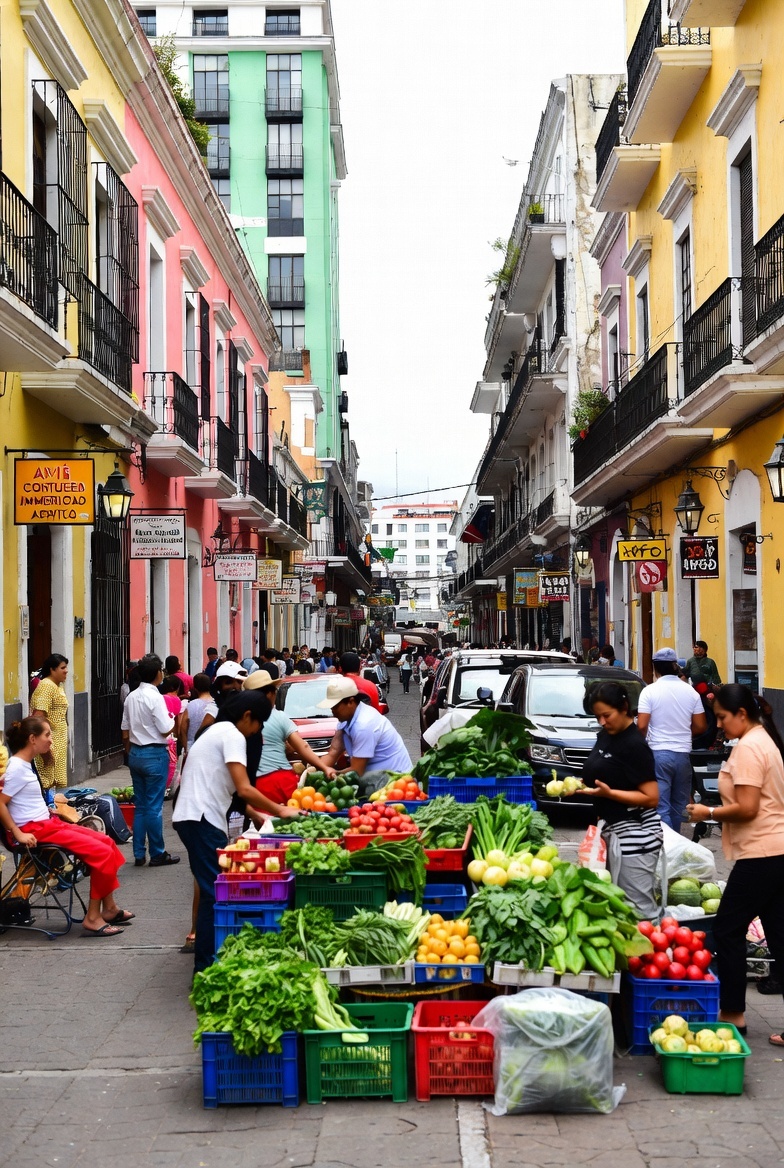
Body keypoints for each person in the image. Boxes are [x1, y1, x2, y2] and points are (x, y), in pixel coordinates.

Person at [172, 690, 300, 973]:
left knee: (212, 890)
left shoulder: (216, 731)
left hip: (195, 817)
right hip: (201, 819)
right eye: (258, 724)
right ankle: (205, 968)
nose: (257, 731)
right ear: (247, 716)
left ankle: (207, 962)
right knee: (212, 894)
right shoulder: (232, 735)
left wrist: (256, 814)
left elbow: (226, 787)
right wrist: (280, 810)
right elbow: (243, 788)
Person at [685, 685, 784, 1044]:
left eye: (723, 717)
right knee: (779, 934)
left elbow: (748, 808)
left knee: (727, 930)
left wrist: (708, 812)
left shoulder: (750, 747)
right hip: (776, 850)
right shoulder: (764, 740)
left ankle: (732, 1014)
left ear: (742, 714)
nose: (720, 725)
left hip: (761, 852)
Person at [0, 716, 132, 937]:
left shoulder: (23, 765)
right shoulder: (16, 768)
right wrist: (17, 833)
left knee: (107, 842)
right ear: (32, 739)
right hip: (36, 830)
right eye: (47, 735)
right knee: (101, 852)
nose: (51, 740)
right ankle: (93, 917)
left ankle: (109, 908)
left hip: (46, 823)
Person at [574, 681, 662, 918]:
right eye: (597, 717)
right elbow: (606, 773)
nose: (602, 722)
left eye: (607, 715)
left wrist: (609, 794)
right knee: (616, 908)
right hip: (611, 831)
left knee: (638, 911)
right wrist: (579, 786)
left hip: (636, 836)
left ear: (624, 708)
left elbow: (651, 798)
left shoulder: (634, 745)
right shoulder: (606, 735)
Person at [636, 647, 707, 832]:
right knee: (678, 807)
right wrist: (683, 733)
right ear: (675, 666)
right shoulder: (691, 692)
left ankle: (666, 845)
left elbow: (642, 726)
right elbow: (701, 726)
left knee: (661, 807)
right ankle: (674, 843)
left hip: (659, 754)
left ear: (655, 667)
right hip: (683, 756)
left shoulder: (649, 691)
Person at [241, 671, 339, 802]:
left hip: (253, 782)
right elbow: (302, 746)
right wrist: (324, 767)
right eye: (275, 691)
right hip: (281, 780)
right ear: (269, 694)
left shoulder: (242, 719)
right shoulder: (280, 717)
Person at [120, 653, 179, 867]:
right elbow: (164, 729)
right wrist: (174, 720)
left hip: (136, 753)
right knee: (154, 807)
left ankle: (138, 853)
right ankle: (157, 853)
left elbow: (125, 730)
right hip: (154, 754)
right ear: (157, 674)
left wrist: (130, 753)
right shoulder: (155, 698)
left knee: (142, 806)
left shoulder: (132, 696)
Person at [319, 678, 412, 776]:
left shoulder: (364, 725)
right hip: (375, 778)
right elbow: (334, 751)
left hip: (396, 780)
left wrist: (330, 775)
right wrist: (317, 770)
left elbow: (356, 771)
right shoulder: (345, 719)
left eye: (335, 707)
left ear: (351, 702)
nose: (332, 711)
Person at [30, 654, 70, 790]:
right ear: (52, 669)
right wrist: (44, 749)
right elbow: (38, 716)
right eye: (62, 668)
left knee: (53, 784)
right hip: (48, 745)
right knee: (45, 783)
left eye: (66, 667)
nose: (66, 671)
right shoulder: (46, 686)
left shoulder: (57, 686)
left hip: (56, 742)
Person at [182, 673, 218, 752]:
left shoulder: (191, 705)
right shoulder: (216, 704)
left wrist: (185, 748)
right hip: (211, 748)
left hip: (192, 747)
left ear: (195, 688)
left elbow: (183, 729)